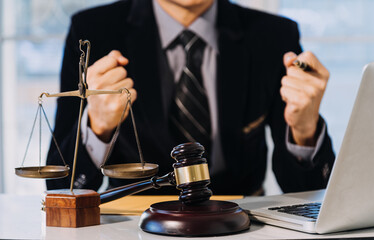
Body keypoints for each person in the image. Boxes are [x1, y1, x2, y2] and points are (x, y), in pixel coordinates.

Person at [46, 0, 335, 195]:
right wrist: (98, 125)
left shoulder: (274, 35)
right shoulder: (92, 31)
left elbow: (307, 193)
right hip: (131, 222)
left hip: (245, 221)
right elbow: (59, 185)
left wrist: (305, 130)